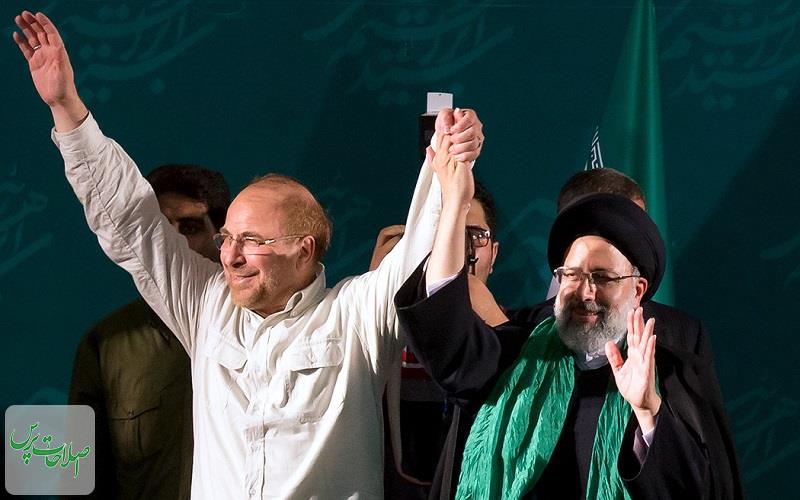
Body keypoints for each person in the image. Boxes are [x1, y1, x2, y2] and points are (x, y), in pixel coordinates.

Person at [13, 10, 485, 498]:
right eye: (227, 238)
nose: (231, 256)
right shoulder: (205, 306)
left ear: (303, 249)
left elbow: (420, 254)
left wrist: (448, 166)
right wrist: (67, 107)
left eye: (253, 241)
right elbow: (130, 217)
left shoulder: (356, 317)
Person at [395, 154, 743, 498]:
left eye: (603, 277)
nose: (586, 292)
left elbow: (701, 488)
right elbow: (443, 327)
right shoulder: (519, 354)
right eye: (572, 275)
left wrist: (649, 411)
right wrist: (454, 202)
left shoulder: (673, 372)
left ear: (637, 290)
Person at [68, 164, 231, 499]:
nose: (173, 242)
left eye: (189, 227)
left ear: (222, 240)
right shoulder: (104, 342)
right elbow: (72, 479)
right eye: (160, 228)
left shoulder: (266, 331)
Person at [374, 181, 505, 499]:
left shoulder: (525, 338)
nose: (459, 248)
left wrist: (498, 327)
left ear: (493, 253)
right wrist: (374, 293)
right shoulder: (379, 335)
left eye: (474, 235)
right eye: (445, 232)